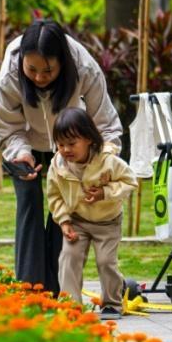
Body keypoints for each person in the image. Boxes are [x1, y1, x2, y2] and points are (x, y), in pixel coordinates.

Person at [0, 19, 123, 295]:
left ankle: (58, 289)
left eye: (48, 71)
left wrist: (103, 163)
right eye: (32, 70)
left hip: (69, 143)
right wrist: (20, 153)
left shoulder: (85, 68)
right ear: (22, 63)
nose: (39, 77)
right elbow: (7, 126)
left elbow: (107, 125)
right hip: (24, 140)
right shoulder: (10, 76)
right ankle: (30, 288)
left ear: (62, 62)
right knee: (29, 202)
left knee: (64, 210)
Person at [46, 108, 137, 320]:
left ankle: (112, 303)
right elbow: (54, 196)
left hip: (107, 222)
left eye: (71, 143)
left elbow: (130, 182)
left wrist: (105, 192)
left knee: (106, 261)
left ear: (88, 138)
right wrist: (64, 220)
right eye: (60, 144)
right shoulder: (57, 166)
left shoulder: (108, 161)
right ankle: (70, 306)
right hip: (77, 220)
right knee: (69, 258)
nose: (66, 149)